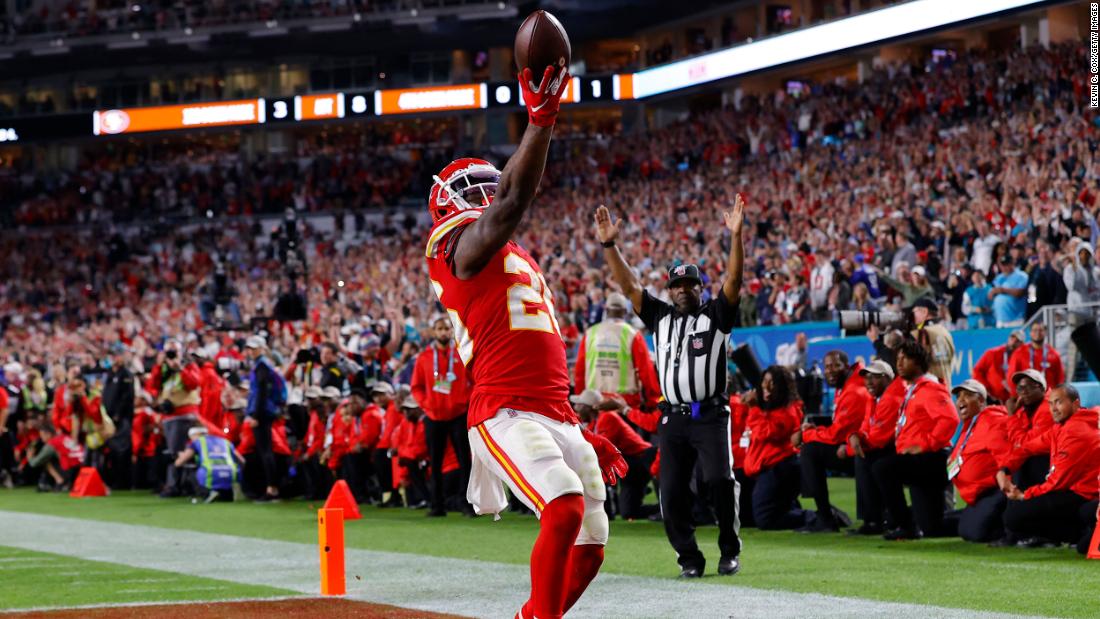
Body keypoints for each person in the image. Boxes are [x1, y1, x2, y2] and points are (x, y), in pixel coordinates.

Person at [424, 59, 623, 619]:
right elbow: (512, 203)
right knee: (561, 508)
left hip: (552, 409)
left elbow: (538, 349)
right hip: (503, 408)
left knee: (592, 540)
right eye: (475, 191)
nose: (488, 197)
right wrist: (542, 117)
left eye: (490, 187)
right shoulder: (457, 252)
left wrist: (574, 422)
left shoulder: (517, 258)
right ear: (447, 206)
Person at [598, 193, 745, 579]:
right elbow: (629, 285)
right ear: (670, 290)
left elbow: (735, 280)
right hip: (673, 419)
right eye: (676, 285)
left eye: (690, 284)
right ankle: (689, 558)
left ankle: (729, 549)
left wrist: (736, 237)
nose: (682, 289)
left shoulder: (716, 315)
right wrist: (610, 245)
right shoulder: (659, 317)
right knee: (671, 492)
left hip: (710, 414)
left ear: (700, 288)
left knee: (718, 480)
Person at [872, 340, 958, 540]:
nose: (899, 363)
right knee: (931, 528)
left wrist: (925, 445)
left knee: (882, 468)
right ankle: (979, 519)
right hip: (923, 461)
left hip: (932, 458)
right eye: (898, 358)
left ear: (918, 362)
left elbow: (949, 420)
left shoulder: (930, 389)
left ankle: (904, 525)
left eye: (905, 359)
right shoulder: (914, 390)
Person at [1002, 385, 1100, 548]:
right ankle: (1078, 533)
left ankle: (1077, 533)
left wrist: (1024, 495)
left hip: (1085, 495)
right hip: (1079, 493)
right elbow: (1027, 446)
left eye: (1059, 402)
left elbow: (1057, 482)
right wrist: (1005, 469)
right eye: (1051, 403)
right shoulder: (1061, 427)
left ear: (1075, 404)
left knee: (1014, 517)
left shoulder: (1076, 432)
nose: (1053, 408)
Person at [794, 351, 871, 533]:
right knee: (810, 449)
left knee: (810, 451)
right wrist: (813, 430)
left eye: (835, 365)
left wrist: (806, 435)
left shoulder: (854, 391)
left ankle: (825, 518)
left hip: (862, 451)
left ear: (847, 365)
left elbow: (836, 435)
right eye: (827, 366)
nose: (829, 370)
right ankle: (826, 516)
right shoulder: (848, 385)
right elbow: (838, 427)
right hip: (857, 447)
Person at [410, 314, 474, 517]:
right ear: (433, 332)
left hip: (458, 414)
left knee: (465, 461)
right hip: (434, 416)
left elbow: (476, 381)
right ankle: (437, 505)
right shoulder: (424, 358)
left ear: (452, 331)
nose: (443, 332)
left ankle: (467, 504)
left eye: (446, 328)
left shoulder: (463, 354)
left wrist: (466, 400)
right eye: (439, 329)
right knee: (434, 462)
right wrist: (426, 404)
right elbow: (416, 387)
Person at [737, 366, 809, 531]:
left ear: (783, 387)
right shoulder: (768, 408)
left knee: (766, 520)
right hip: (763, 469)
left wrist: (754, 408)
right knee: (745, 518)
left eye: (773, 383)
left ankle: (818, 516)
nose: (767, 388)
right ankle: (792, 507)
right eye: (765, 382)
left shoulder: (790, 410)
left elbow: (766, 432)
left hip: (780, 468)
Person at [942, 380, 1012, 543]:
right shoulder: (969, 426)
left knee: (973, 533)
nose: (960, 400)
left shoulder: (992, 420)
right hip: (976, 496)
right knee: (946, 524)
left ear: (981, 401)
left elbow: (1006, 456)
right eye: (959, 396)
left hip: (995, 491)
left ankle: (1008, 525)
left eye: (967, 395)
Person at [573, 292, 662, 420]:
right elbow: (646, 372)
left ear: (606, 309)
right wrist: (652, 403)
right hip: (625, 405)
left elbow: (580, 371)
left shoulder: (590, 333)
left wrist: (581, 399)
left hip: (594, 403)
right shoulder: (633, 334)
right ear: (625, 311)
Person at [570, 389, 656, 520]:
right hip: (629, 465)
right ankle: (660, 509)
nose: (576, 409)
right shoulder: (594, 422)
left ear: (589, 408)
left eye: (580, 405)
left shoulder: (607, 418)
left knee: (597, 466)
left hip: (642, 459)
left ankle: (604, 508)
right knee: (629, 512)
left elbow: (602, 450)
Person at [842, 360, 904, 535]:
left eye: (875, 377)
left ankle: (876, 520)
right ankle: (874, 519)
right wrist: (853, 437)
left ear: (888, 379)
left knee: (866, 458)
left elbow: (879, 438)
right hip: (886, 448)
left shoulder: (891, 400)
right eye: (867, 377)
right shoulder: (874, 400)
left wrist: (849, 447)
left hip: (899, 450)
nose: (868, 382)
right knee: (863, 457)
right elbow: (864, 429)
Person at [146, 340, 202, 498]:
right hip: (169, 416)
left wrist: (180, 368)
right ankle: (180, 484)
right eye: (168, 352)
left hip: (184, 415)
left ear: (181, 352)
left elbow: (194, 383)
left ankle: (174, 486)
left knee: (176, 452)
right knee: (174, 452)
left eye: (173, 351)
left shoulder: (188, 365)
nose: (171, 355)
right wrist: (158, 366)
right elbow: (152, 386)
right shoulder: (164, 369)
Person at [243, 335, 285, 502]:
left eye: (253, 348)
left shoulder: (262, 367)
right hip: (265, 412)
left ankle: (272, 488)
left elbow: (261, 393)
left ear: (262, 348)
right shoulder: (263, 366)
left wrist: (255, 415)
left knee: (265, 451)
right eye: (249, 348)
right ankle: (271, 487)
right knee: (265, 451)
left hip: (262, 413)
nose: (250, 351)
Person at [1000, 369, 1055, 490]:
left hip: (1049, 463)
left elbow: (1024, 443)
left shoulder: (1048, 408)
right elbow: (1013, 441)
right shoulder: (1025, 409)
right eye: (1019, 388)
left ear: (1041, 388)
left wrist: (1011, 416)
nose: (1023, 392)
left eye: (1028, 387)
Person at [172, 424, 243, 503]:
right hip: (231, 475)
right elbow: (242, 460)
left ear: (195, 434)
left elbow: (180, 462)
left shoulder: (197, 442)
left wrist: (177, 461)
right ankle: (227, 494)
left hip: (210, 473)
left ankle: (206, 493)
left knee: (191, 472)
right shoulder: (225, 441)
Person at [909, 298, 955, 389]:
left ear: (924, 311)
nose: (911, 316)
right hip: (946, 391)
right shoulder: (946, 332)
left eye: (914, 311)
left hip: (928, 391)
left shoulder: (920, 334)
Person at [1007, 323, 1064, 397]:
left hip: (1048, 398)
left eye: (1041, 330)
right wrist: (1018, 396)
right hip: (1026, 398)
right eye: (1035, 330)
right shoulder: (1019, 352)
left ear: (1045, 332)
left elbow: (1060, 379)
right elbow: (1011, 377)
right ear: (1030, 333)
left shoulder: (1054, 354)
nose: (1038, 333)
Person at [25, 423, 85, 491]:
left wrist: (29, 456)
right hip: (83, 468)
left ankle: (61, 482)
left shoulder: (52, 443)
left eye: (42, 436)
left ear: (48, 434)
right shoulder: (64, 437)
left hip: (72, 471)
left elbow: (34, 463)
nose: (41, 439)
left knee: (46, 460)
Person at [972, 330, 1025, 404]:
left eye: (1017, 341)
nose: (1013, 343)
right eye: (1012, 338)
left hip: (1012, 400)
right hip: (992, 398)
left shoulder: (1022, 358)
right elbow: (977, 371)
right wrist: (986, 391)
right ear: (1008, 339)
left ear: (1022, 344)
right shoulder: (992, 353)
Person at [989, 255, 1028, 328]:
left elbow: (1020, 293)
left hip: (1016, 319)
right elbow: (991, 294)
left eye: (1007, 264)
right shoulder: (999, 277)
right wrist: (993, 292)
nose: (1004, 267)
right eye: (1003, 265)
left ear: (1012, 263)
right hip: (1000, 319)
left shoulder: (1021, 276)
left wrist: (1003, 290)